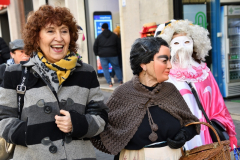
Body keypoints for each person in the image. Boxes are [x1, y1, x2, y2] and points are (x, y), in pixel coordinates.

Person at [0, 5, 108, 160]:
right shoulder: (15, 73)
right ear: (36, 37)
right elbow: (3, 118)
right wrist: (30, 134)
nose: (59, 38)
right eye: (50, 31)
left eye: (64, 31)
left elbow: (101, 116)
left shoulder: (86, 72)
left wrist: (77, 124)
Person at [91, 37, 200, 160]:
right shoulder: (122, 94)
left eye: (170, 60)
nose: (170, 65)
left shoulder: (170, 91)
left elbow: (191, 123)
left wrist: (184, 135)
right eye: (164, 60)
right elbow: (104, 130)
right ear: (144, 64)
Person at [155, 19, 237, 150]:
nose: (182, 46)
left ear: (195, 44)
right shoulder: (165, 74)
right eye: (176, 42)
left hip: (206, 134)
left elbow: (219, 106)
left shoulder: (204, 72)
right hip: (179, 136)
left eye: (187, 42)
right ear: (169, 46)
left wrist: (231, 133)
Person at [93, 23, 122, 87]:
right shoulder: (114, 36)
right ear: (108, 27)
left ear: (102, 28)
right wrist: (117, 52)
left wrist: (97, 53)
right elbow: (118, 45)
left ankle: (109, 83)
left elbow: (95, 46)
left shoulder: (99, 36)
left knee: (105, 69)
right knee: (116, 67)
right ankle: (120, 81)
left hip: (103, 55)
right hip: (113, 54)